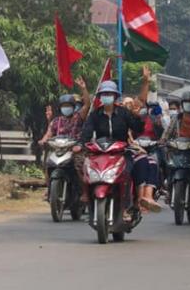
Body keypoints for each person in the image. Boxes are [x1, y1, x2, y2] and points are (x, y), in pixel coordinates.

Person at [80, 80, 161, 213]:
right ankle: (87, 197)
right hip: (100, 152)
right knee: (86, 167)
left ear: (115, 96)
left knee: (134, 167)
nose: (107, 96)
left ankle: (132, 204)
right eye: (104, 94)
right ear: (100, 97)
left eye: (109, 94)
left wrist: (137, 116)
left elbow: (138, 128)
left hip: (122, 151)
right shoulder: (95, 115)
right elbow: (86, 132)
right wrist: (81, 144)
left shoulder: (124, 113)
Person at [38, 78, 91, 200]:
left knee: (79, 166)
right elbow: (49, 133)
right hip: (59, 151)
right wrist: (43, 140)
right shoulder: (56, 121)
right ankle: (49, 189)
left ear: (73, 107)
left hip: (75, 150)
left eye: (68, 106)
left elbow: (87, 105)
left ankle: (85, 192)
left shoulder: (78, 117)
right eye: (64, 106)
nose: (66, 108)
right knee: (49, 165)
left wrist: (83, 89)